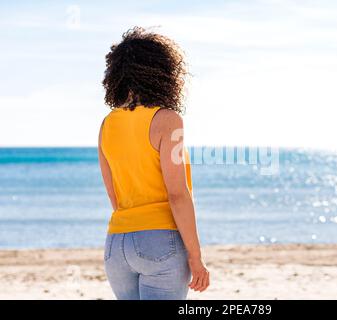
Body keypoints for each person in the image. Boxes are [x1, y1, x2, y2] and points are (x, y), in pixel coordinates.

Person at [98, 27, 209, 300]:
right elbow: (177, 194)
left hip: (117, 244)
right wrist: (195, 257)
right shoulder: (168, 120)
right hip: (160, 243)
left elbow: (114, 194)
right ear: (163, 72)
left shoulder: (108, 124)